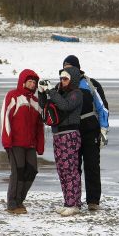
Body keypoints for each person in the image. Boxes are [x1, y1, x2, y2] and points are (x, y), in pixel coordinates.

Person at [62, 55, 109, 211]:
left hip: (90, 131)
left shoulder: (91, 84)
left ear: (77, 68)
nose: (67, 71)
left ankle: (93, 201)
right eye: (65, 68)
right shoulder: (62, 84)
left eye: (70, 67)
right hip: (70, 133)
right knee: (72, 168)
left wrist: (104, 130)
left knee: (92, 166)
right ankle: (73, 201)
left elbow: (103, 108)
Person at [38, 66, 83, 216]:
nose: (62, 82)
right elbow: (44, 106)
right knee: (62, 170)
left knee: (70, 170)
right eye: (61, 79)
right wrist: (42, 92)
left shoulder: (77, 94)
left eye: (65, 79)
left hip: (69, 135)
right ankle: (68, 202)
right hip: (58, 135)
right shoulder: (59, 92)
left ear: (72, 79)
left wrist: (51, 91)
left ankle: (73, 204)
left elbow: (65, 106)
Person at [1, 69, 44, 215]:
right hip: (15, 143)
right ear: (23, 81)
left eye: (34, 82)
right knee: (17, 172)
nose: (32, 84)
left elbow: (39, 126)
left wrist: (40, 145)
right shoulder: (13, 96)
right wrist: (7, 141)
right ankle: (12, 203)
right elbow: (5, 118)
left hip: (30, 145)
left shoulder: (36, 101)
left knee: (31, 171)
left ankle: (20, 200)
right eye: (30, 81)